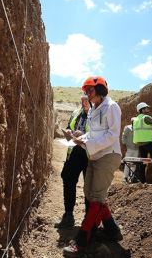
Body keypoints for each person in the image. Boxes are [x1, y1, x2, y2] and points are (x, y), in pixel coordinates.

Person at [63, 76, 123, 257]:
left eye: (90, 90)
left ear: (100, 90)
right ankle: (112, 231)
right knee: (90, 194)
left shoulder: (112, 107)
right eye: (86, 91)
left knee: (95, 197)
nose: (87, 94)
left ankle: (82, 240)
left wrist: (88, 144)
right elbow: (93, 133)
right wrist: (79, 139)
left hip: (108, 155)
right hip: (95, 155)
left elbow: (112, 135)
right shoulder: (93, 110)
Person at [55, 96, 90, 228]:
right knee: (68, 178)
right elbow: (70, 126)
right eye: (82, 100)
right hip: (74, 151)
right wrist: (69, 131)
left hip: (90, 153)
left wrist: (84, 134)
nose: (84, 102)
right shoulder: (76, 113)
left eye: (87, 100)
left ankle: (89, 219)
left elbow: (101, 133)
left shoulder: (98, 114)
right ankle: (68, 215)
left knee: (89, 185)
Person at [132, 102, 152, 183]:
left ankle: (142, 181)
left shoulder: (135, 120)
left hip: (140, 144)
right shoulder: (146, 117)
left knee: (143, 163)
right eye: (146, 108)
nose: (148, 109)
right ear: (142, 110)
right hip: (149, 143)